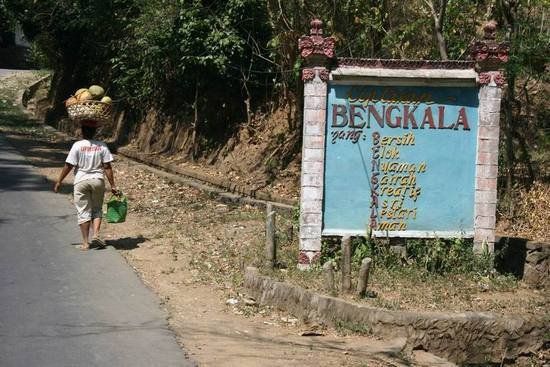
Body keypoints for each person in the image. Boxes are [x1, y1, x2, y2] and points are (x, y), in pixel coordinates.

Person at [54, 120, 118, 250]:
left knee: (83, 211)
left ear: (82, 131)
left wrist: (59, 181)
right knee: (97, 208)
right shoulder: (102, 146)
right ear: (95, 131)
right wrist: (113, 185)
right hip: (97, 180)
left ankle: (85, 243)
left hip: (81, 181)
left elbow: (69, 165)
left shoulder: (77, 146)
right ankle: (96, 234)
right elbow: (107, 167)